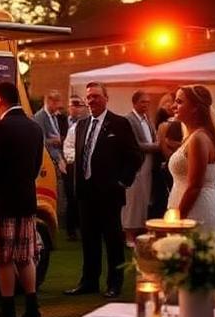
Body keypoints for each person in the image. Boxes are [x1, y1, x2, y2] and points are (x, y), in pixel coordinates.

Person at [0, 81, 45, 317]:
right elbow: (36, 165)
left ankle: (7, 314)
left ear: (0, 99)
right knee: (25, 257)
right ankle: (32, 311)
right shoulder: (34, 128)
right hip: (25, 200)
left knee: (4, 259)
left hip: (1, 203)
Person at [64, 82, 141, 299]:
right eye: (88, 97)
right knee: (89, 240)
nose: (91, 100)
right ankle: (89, 281)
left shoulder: (119, 123)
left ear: (106, 98)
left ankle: (114, 283)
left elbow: (135, 156)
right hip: (85, 194)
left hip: (109, 194)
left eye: (96, 96)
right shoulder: (81, 125)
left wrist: (123, 182)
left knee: (113, 241)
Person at [167, 85, 215, 237]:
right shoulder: (193, 136)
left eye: (179, 102)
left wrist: (178, 219)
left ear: (194, 107)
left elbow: (194, 186)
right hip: (188, 204)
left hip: (197, 209)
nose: (173, 105)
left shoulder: (199, 138)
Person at [122, 91, 159, 246]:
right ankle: (128, 235)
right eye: (143, 102)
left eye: (148, 102)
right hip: (137, 165)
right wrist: (155, 146)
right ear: (135, 103)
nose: (146, 105)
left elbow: (152, 136)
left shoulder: (147, 119)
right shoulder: (128, 120)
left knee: (144, 200)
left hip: (148, 164)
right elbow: (133, 144)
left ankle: (140, 232)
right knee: (133, 200)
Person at [34, 91, 67, 228]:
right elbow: (39, 140)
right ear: (49, 101)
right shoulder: (39, 118)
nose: (58, 107)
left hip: (59, 156)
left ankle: (59, 217)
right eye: (56, 103)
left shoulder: (54, 117)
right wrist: (53, 141)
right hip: (48, 161)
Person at [61, 95, 87, 241]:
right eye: (74, 105)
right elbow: (68, 147)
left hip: (86, 168)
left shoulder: (86, 125)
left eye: (80, 106)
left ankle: (83, 227)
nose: (76, 109)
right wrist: (74, 160)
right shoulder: (70, 126)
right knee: (72, 198)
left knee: (84, 199)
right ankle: (71, 230)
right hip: (71, 167)